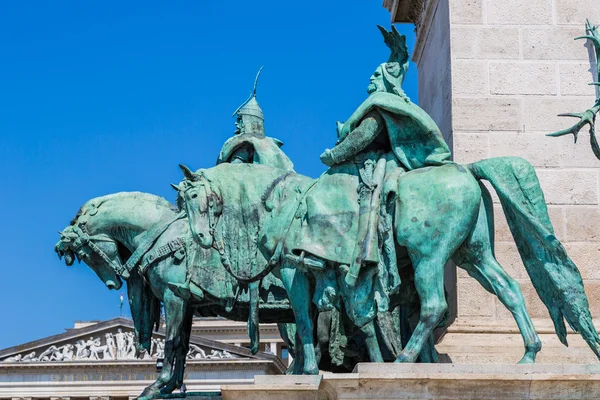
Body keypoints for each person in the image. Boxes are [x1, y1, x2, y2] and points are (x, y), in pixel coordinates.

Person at [319, 26, 452, 288]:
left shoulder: (379, 105)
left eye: (376, 75)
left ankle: (365, 250)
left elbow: (364, 136)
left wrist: (334, 154)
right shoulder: (385, 105)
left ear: (386, 81)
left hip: (380, 166)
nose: (370, 77)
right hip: (385, 162)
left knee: (364, 200)